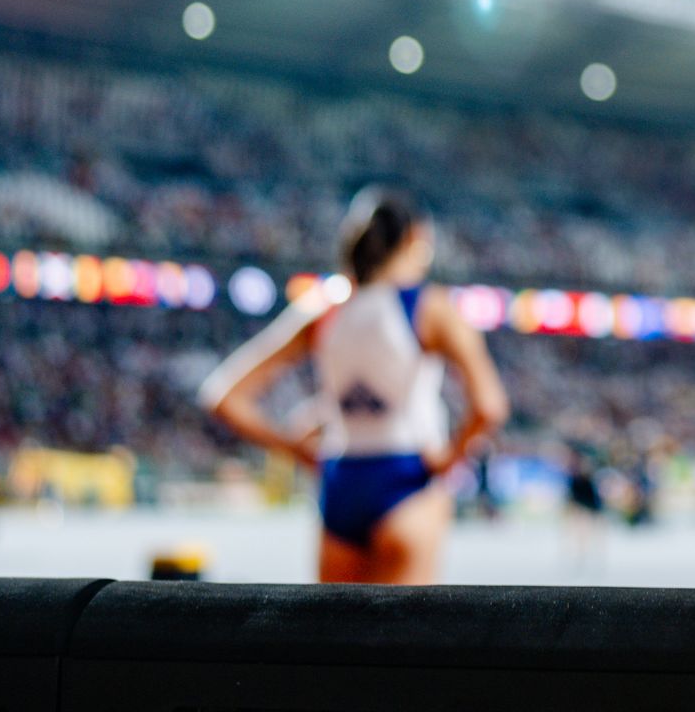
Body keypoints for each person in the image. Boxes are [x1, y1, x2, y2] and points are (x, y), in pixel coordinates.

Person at [201, 189, 508, 584]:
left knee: (337, 641)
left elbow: (223, 396)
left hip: (342, 480)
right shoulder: (430, 307)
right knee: (407, 641)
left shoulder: (322, 309)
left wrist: (296, 449)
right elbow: (490, 406)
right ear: (416, 240)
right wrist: (449, 461)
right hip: (408, 478)